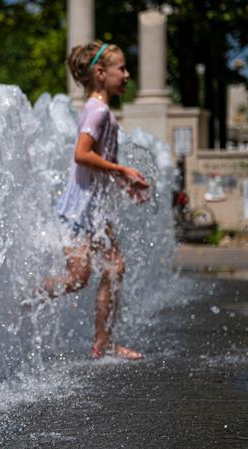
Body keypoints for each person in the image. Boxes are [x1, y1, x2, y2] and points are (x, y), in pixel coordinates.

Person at [33, 40, 150, 360]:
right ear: (100, 73)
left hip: (93, 210)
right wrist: (122, 169)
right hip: (79, 211)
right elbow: (82, 155)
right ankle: (23, 301)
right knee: (77, 278)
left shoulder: (104, 113)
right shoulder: (97, 112)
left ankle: (103, 341)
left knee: (114, 268)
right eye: (121, 68)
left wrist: (122, 180)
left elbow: (97, 162)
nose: (127, 75)